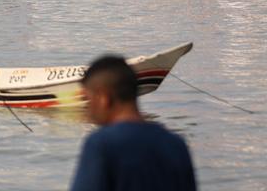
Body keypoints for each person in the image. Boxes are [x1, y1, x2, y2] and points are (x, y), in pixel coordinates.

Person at [70, 56, 196, 191]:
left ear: (104, 98)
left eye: (88, 100)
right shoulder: (176, 144)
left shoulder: (101, 144)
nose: (88, 110)